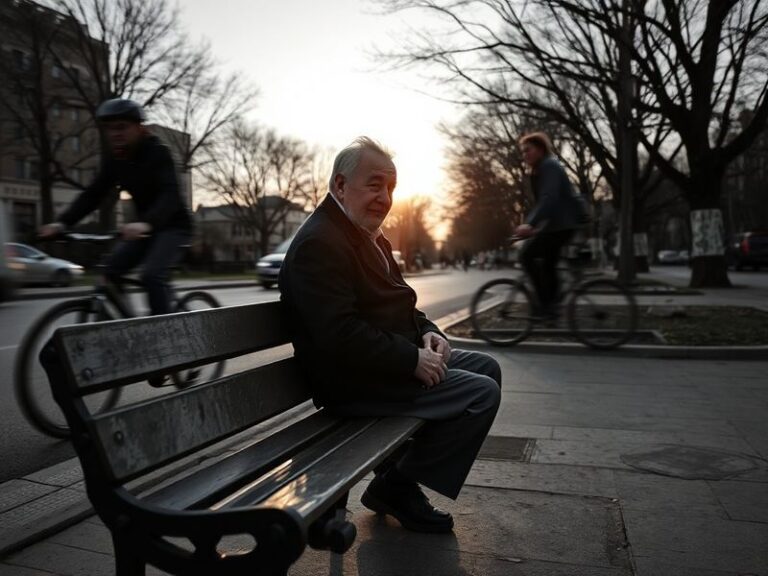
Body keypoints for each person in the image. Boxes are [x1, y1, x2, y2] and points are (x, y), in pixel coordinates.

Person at [279, 137, 501, 534]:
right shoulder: (321, 243)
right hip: (353, 383)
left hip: (379, 366)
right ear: (341, 185)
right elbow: (338, 335)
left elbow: (402, 307)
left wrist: (431, 335)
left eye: (391, 187)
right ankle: (397, 486)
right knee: (481, 394)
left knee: (486, 366)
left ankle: (394, 481)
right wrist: (412, 360)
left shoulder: (365, 234)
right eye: (375, 184)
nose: (385, 197)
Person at [39, 98, 192, 316]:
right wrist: (62, 223)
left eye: (122, 127)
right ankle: (126, 324)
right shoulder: (116, 159)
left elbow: (170, 196)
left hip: (174, 227)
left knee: (151, 276)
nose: (115, 134)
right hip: (144, 229)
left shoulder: (158, 152)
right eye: (110, 129)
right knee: (109, 272)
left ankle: (164, 339)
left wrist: (146, 223)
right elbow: (94, 194)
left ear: (139, 128)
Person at [515, 132, 582, 319]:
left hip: (563, 224)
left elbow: (549, 198)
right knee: (547, 263)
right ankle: (551, 305)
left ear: (540, 149)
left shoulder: (549, 166)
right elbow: (546, 203)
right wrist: (534, 227)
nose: (525, 155)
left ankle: (547, 306)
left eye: (528, 150)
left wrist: (530, 224)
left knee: (528, 256)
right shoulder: (540, 169)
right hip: (558, 224)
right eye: (522, 152)